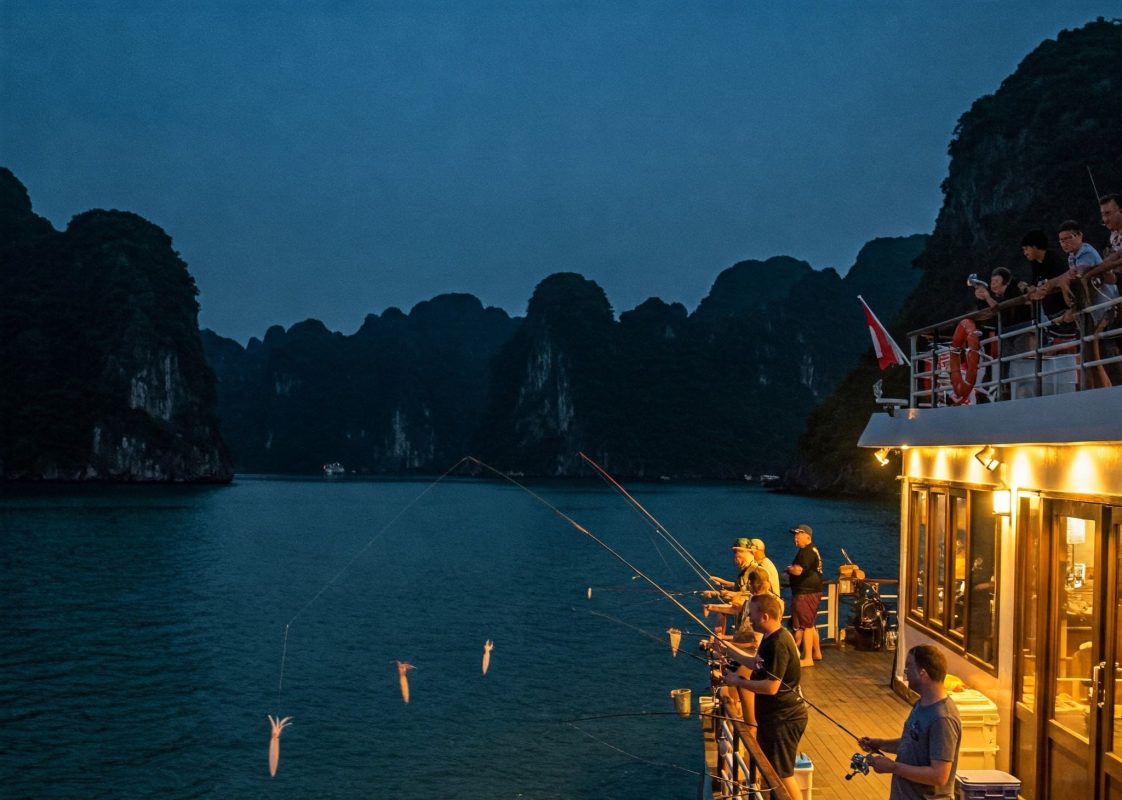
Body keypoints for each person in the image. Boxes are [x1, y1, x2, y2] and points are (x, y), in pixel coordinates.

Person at [720, 593, 808, 800]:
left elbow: (771, 687)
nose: (749, 618)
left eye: (752, 614)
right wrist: (729, 651)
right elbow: (756, 663)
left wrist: (738, 682)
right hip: (774, 718)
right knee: (774, 771)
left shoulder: (778, 644)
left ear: (765, 616)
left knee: (783, 775)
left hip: (784, 719)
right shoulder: (771, 638)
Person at [858, 644, 962, 800]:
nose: (905, 673)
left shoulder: (942, 719)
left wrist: (892, 767)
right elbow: (913, 742)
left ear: (923, 673)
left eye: (908, 667)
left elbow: (939, 775)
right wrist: (880, 744)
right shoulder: (922, 704)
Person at [786, 523, 823, 666]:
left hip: (806, 592)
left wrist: (789, 569)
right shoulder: (812, 550)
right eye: (795, 535)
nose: (795, 538)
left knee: (805, 625)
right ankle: (816, 652)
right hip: (812, 591)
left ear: (807, 536)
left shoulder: (806, 551)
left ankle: (808, 658)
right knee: (810, 623)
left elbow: (798, 570)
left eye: (798, 534)